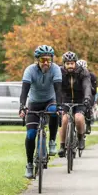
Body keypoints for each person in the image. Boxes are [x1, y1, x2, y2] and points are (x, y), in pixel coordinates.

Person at [19, 45, 62, 179]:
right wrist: (22, 106)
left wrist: (60, 107)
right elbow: (24, 91)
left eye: (48, 60)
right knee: (31, 134)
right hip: (34, 103)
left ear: (52, 60)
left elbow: (58, 90)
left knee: (54, 110)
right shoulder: (30, 70)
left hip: (50, 100)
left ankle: (52, 142)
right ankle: (30, 165)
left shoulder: (56, 69)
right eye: (43, 60)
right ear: (37, 60)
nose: (45, 63)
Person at [58, 52, 92, 157]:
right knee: (64, 120)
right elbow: (57, 88)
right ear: (64, 64)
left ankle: (81, 138)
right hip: (65, 99)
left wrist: (87, 98)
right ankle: (62, 146)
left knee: (78, 118)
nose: (70, 66)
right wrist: (57, 100)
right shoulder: (60, 72)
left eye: (72, 63)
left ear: (75, 63)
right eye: (67, 64)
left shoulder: (82, 72)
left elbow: (87, 86)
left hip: (80, 99)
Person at [76, 59, 97, 134]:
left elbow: (94, 91)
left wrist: (89, 87)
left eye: (84, 68)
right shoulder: (75, 74)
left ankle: (88, 123)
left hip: (90, 93)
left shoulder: (92, 76)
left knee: (88, 106)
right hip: (79, 94)